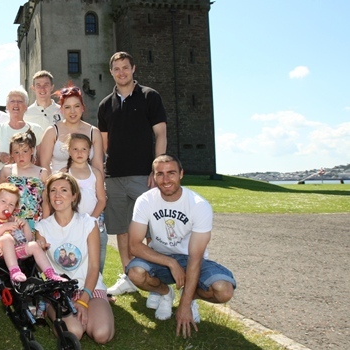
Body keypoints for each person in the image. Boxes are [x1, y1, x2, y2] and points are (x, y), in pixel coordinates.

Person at [126, 154, 236, 338]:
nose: (166, 179)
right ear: (153, 177)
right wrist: (171, 262)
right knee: (135, 273)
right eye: (159, 174)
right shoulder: (145, 200)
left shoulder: (199, 205)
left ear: (181, 174)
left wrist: (184, 306)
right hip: (160, 258)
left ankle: (190, 297)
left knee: (223, 291)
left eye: (171, 173)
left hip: (191, 259)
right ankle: (165, 293)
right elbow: (134, 245)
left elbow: (195, 257)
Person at [98, 51, 167, 296]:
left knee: (151, 230)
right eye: (116, 69)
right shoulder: (105, 105)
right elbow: (104, 145)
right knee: (122, 229)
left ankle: (155, 278)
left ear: (133, 68)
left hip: (142, 174)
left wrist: (156, 168)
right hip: (114, 176)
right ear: (111, 72)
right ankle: (129, 276)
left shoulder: (150, 97)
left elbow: (160, 134)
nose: (121, 72)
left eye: (125, 67)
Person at [34, 173, 115, 344]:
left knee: (102, 334)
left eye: (64, 190)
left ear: (74, 196)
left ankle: (97, 308)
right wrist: (38, 251)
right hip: (60, 291)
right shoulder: (42, 228)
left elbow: (94, 266)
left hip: (90, 288)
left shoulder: (88, 223)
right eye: (53, 190)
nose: (57, 195)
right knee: (74, 332)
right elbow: (43, 269)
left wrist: (84, 300)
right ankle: (50, 308)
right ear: (48, 196)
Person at [0, 183, 65, 283]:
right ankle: (14, 271)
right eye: (3, 201)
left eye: (11, 204)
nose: (6, 206)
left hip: (14, 252)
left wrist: (25, 226)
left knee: (33, 245)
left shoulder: (12, 220)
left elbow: (26, 240)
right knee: (7, 238)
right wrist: (4, 227)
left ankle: (50, 274)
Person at [60, 133, 108, 272]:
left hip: (94, 222)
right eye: (75, 149)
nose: (79, 153)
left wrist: (91, 220)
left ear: (90, 151)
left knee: (97, 258)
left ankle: (97, 287)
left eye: (84, 149)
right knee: (74, 258)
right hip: (72, 223)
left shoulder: (96, 173)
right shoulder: (65, 173)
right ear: (69, 150)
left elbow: (102, 199)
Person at [38, 84, 104, 175]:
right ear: (61, 110)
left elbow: (98, 166)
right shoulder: (52, 132)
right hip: (59, 185)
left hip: (86, 186)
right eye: (67, 107)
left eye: (76, 106)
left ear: (82, 108)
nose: (72, 111)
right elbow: (45, 165)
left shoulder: (94, 132)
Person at [0, 129, 49, 231]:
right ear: (11, 153)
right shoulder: (7, 171)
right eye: (16, 152)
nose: (21, 156)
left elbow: (46, 202)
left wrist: (45, 224)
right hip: (11, 221)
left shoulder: (42, 172)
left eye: (25, 151)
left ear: (32, 150)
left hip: (35, 222)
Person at [0, 87, 43, 182]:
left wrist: (28, 161)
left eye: (20, 101)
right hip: (2, 178)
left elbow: (42, 160)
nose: (16, 104)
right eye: (12, 101)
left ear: (26, 107)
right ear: (7, 106)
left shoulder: (36, 129)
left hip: (29, 178)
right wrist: (0, 156)